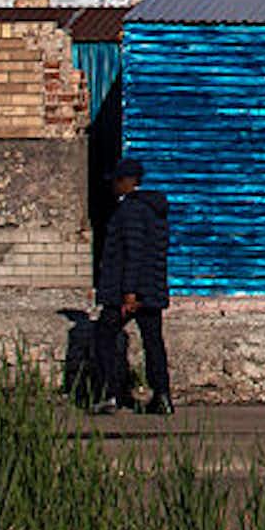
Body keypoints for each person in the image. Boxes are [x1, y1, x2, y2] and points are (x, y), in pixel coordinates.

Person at [92, 156, 171, 416]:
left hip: (127, 292)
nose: (113, 186)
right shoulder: (155, 211)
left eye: (116, 181)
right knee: (153, 343)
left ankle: (109, 395)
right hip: (152, 289)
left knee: (104, 336)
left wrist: (129, 293)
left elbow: (132, 252)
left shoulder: (130, 210)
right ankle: (162, 396)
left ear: (127, 181)